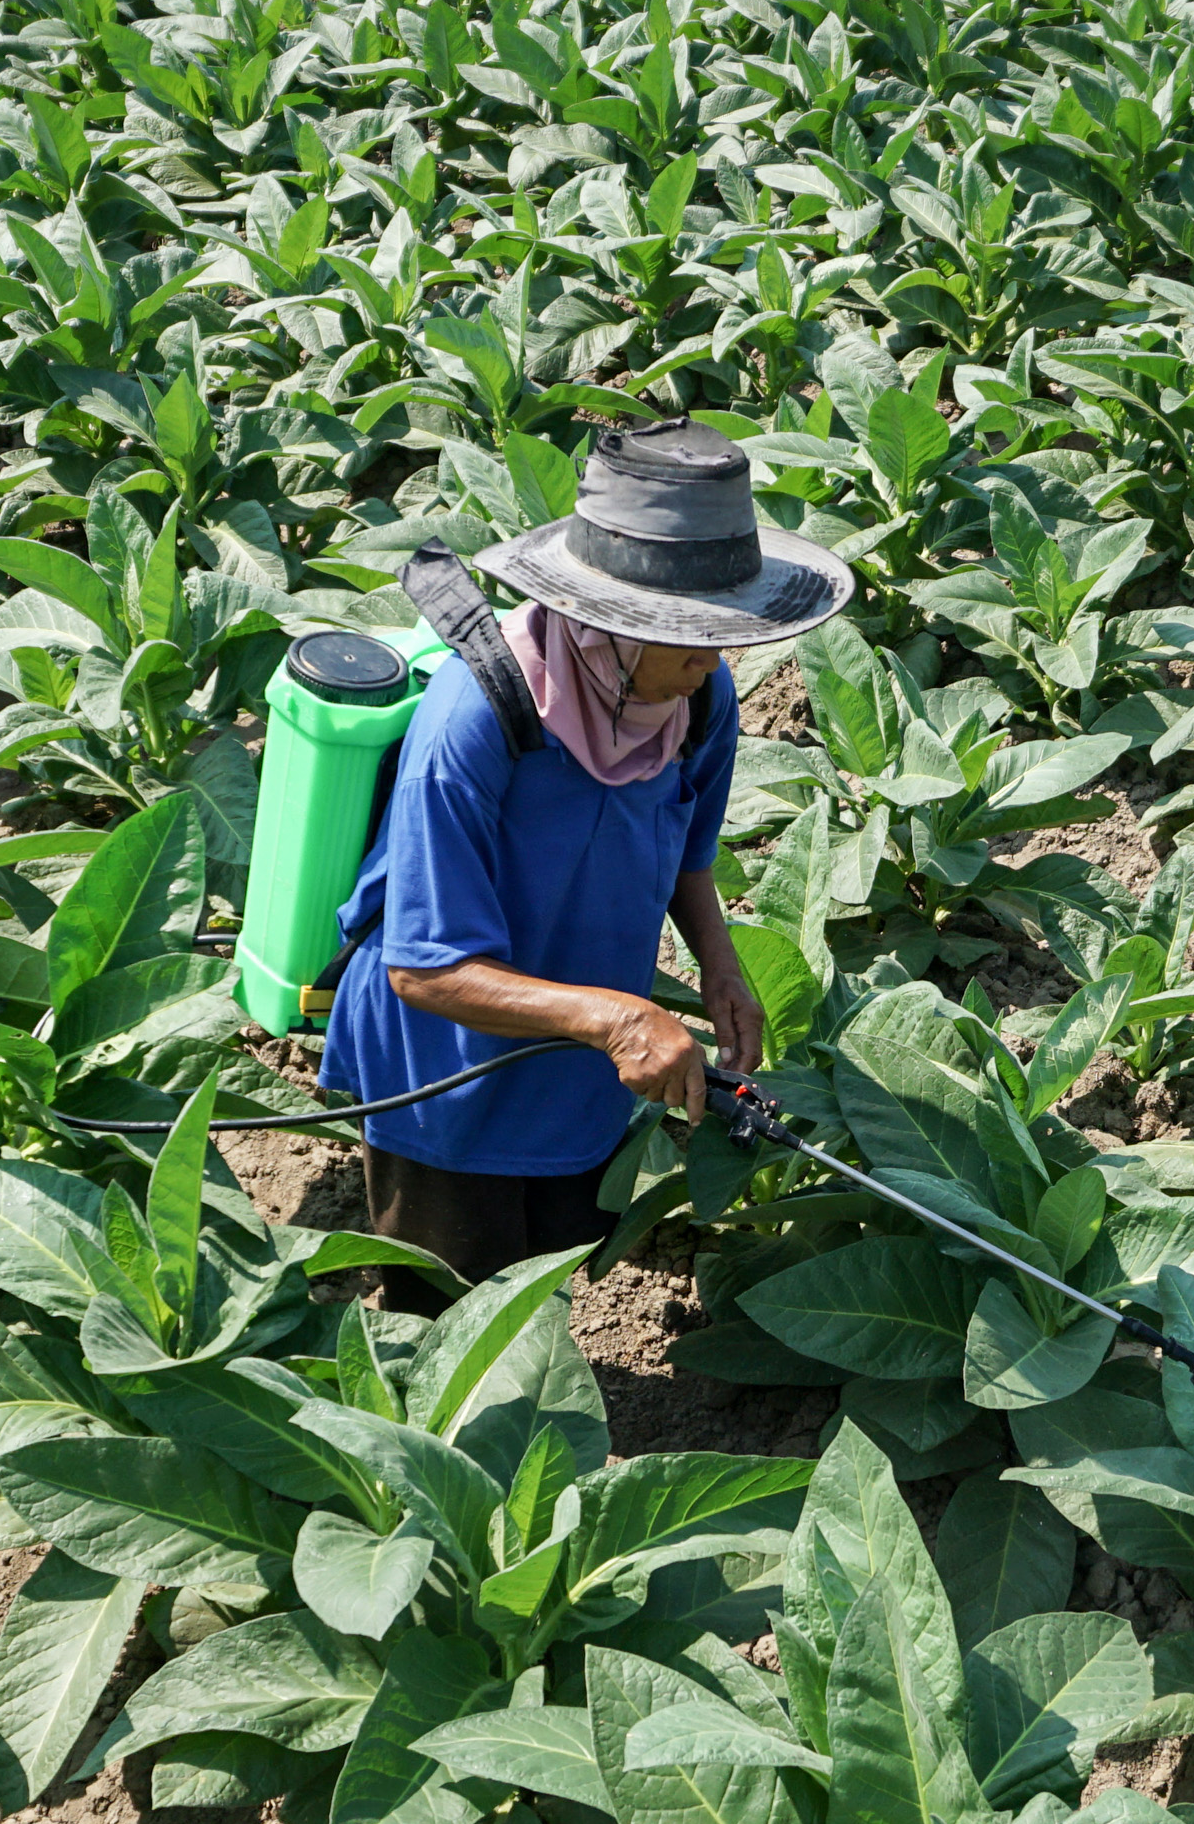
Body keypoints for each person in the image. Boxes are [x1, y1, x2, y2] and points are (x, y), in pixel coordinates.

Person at [320, 417, 853, 1312]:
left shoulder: (698, 697)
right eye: (689, 635)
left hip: (580, 1073)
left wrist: (721, 966)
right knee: (453, 1324)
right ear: (612, 625)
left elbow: (685, 848)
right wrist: (616, 1018)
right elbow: (423, 968)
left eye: (721, 633)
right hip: (448, 1079)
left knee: (548, 1297)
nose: (713, 659)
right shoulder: (474, 722)